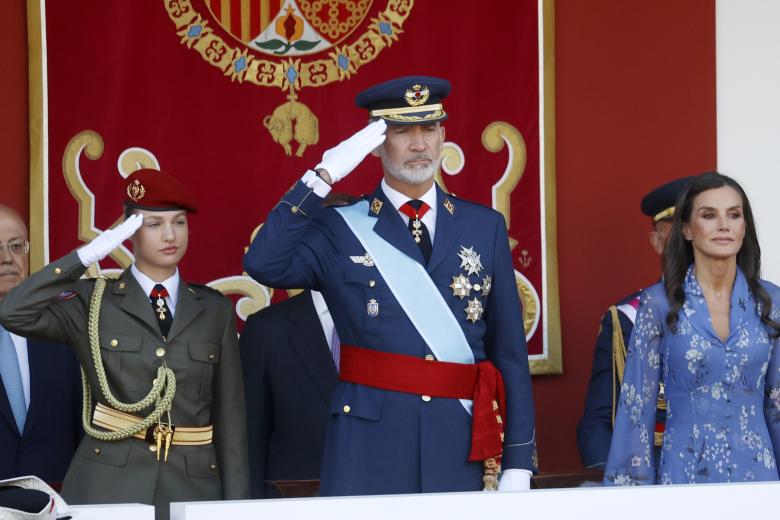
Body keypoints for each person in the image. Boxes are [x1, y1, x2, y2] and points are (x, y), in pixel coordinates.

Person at [244, 75, 537, 495]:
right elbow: (263, 263)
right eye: (403, 131)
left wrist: (518, 462)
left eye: (429, 128)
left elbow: (510, 354)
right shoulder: (340, 227)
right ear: (376, 143)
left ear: (443, 135)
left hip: (459, 441)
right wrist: (321, 177)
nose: (419, 144)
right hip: (368, 446)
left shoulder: (483, 226)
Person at [0, 170, 249, 519]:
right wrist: (84, 257)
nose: (169, 235)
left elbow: (231, 424)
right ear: (128, 232)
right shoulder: (93, 301)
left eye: (178, 222)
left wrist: (238, 510)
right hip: (109, 483)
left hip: (193, 487)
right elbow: (14, 312)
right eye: (153, 224)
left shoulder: (213, 310)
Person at [603, 172, 780, 485]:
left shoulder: (772, 301)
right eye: (709, 215)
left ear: (744, 227)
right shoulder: (657, 304)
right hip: (684, 479)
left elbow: (778, 405)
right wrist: (630, 500)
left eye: (734, 215)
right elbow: (636, 412)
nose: (723, 225)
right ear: (686, 229)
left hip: (759, 481)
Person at [577, 178, 691, 468]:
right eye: (676, 231)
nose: (688, 238)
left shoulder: (752, 309)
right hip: (656, 476)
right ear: (656, 241)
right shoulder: (629, 317)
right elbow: (599, 422)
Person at [0, 204, 82, 485]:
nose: (6, 259)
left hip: (56, 499)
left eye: (15, 246)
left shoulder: (63, 329)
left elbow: (82, 425)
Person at [240, 290, 339, 498]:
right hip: (292, 504)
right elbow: (250, 440)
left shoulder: (396, 323)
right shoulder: (266, 327)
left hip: (382, 503)